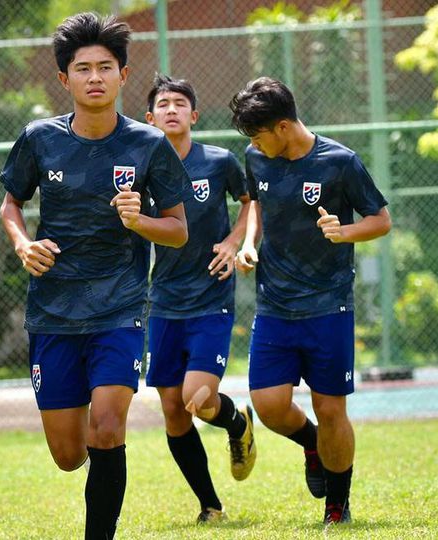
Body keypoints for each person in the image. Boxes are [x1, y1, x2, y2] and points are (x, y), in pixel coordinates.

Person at [0, 13, 191, 539]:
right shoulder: (39, 140)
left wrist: (139, 220)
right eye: (83, 68)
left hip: (120, 307)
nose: (95, 77)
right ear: (64, 80)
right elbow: (11, 203)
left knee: (108, 428)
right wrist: (23, 243)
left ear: (124, 75)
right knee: (67, 454)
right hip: (54, 310)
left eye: (105, 67)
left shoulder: (148, 145)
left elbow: (177, 230)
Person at [230, 77, 391, 525]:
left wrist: (345, 232)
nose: (254, 145)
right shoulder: (257, 157)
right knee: (269, 405)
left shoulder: (340, 163)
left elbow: (381, 220)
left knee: (330, 408)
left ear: (283, 127)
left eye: (259, 135)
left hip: (328, 306)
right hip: (274, 306)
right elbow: (257, 205)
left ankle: (337, 506)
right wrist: (249, 242)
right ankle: (313, 446)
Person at [144, 75, 255, 523]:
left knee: (197, 398)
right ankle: (210, 506)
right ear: (149, 119)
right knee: (174, 411)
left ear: (194, 115)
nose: (171, 109)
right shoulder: (141, 167)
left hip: (211, 296)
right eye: (162, 104)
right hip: (163, 300)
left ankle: (236, 422)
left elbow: (251, 203)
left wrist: (233, 242)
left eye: (180, 103)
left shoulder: (220, 161)